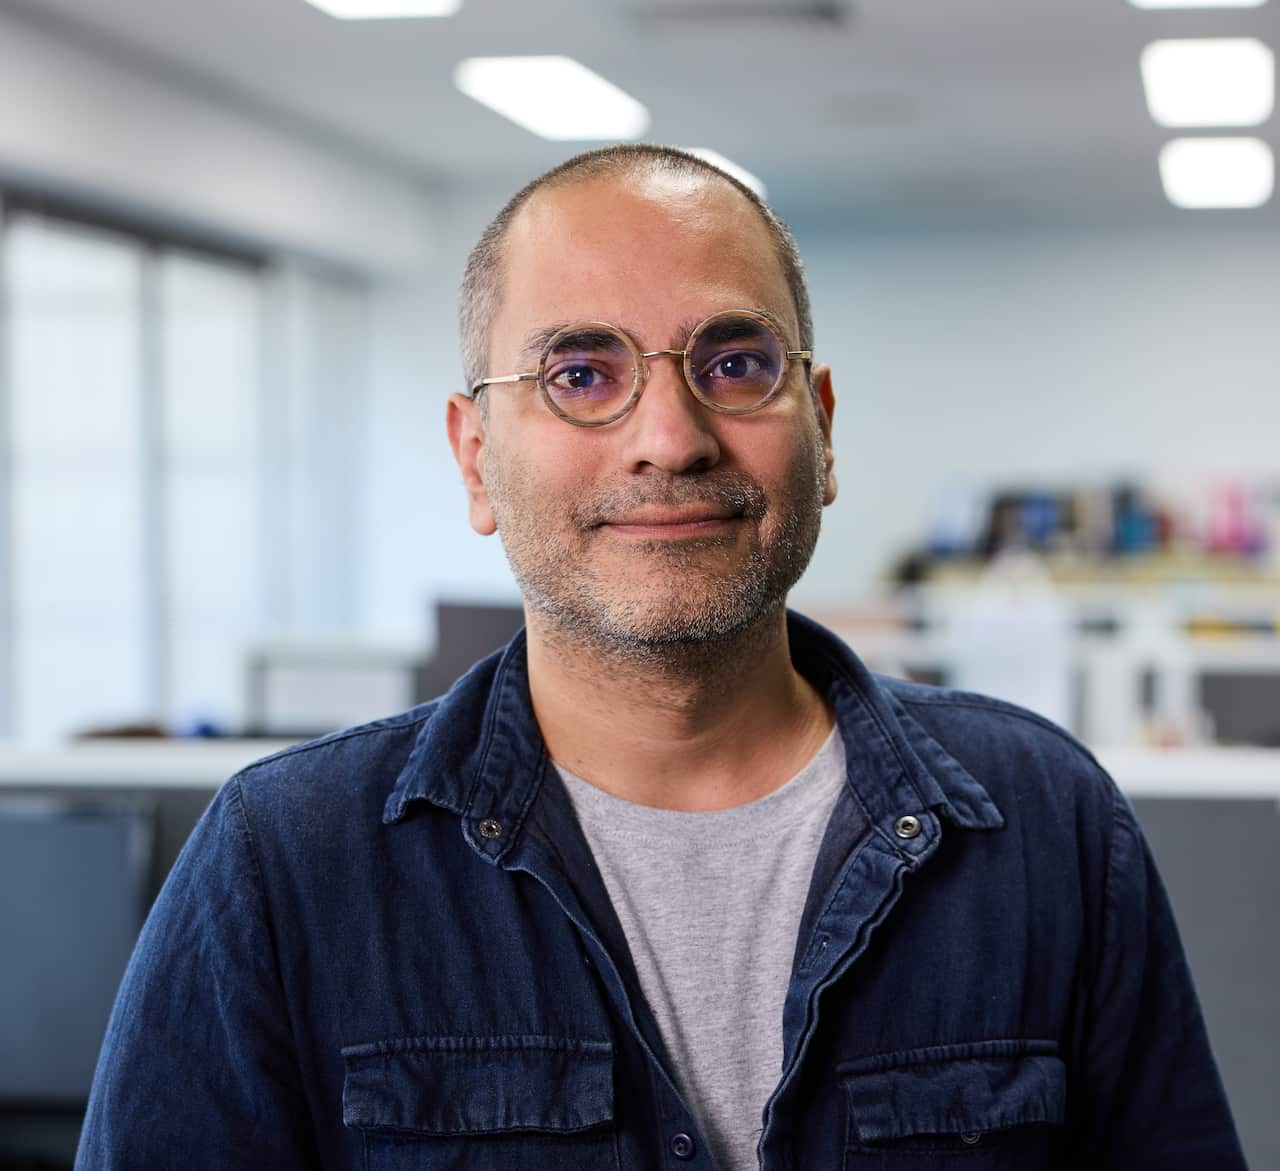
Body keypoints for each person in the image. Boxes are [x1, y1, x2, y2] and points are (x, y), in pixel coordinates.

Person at [77, 145, 1246, 1171]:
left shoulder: (1044, 826)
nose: (670, 438)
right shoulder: (285, 864)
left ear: (822, 427)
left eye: (733, 363)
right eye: (580, 375)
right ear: (475, 456)